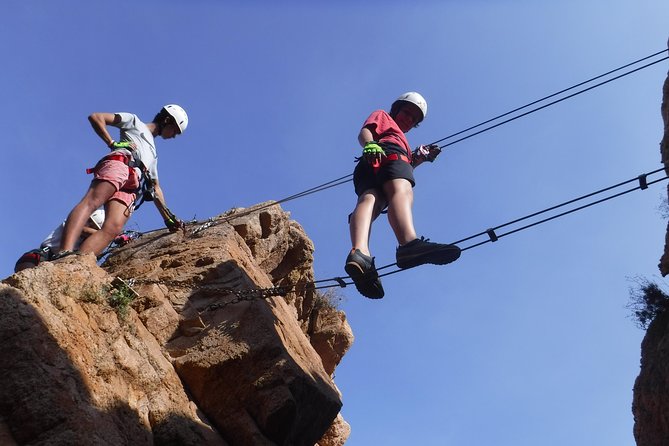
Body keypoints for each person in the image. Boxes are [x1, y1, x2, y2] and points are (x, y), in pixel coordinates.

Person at [345, 92, 461, 299]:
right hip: (388, 153)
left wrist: (419, 159)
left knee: (371, 200)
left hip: (370, 164)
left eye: (414, 119)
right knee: (402, 190)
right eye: (407, 112)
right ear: (396, 109)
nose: (409, 119)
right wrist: (369, 143)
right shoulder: (385, 118)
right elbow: (366, 132)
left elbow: (402, 168)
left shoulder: (400, 138)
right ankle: (408, 244)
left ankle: (360, 253)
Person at [56, 104, 188, 258]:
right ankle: (64, 253)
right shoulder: (134, 121)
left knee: (113, 227)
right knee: (92, 201)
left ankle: (79, 261)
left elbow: (155, 187)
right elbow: (97, 117)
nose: (173, 136)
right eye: (175, 131)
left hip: (133, 185)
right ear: (167, 120)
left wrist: (168, 218)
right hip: (121, 164)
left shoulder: (153, 154)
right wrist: (112, 143)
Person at [14, 209, 105, 272]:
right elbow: (83, 230)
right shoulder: (73, 222)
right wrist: (107, 235)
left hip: (57, 263)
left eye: (93, 226)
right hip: (41, 255)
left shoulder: (88, 242)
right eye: (89, 221)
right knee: (26, 279)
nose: (89, 225)